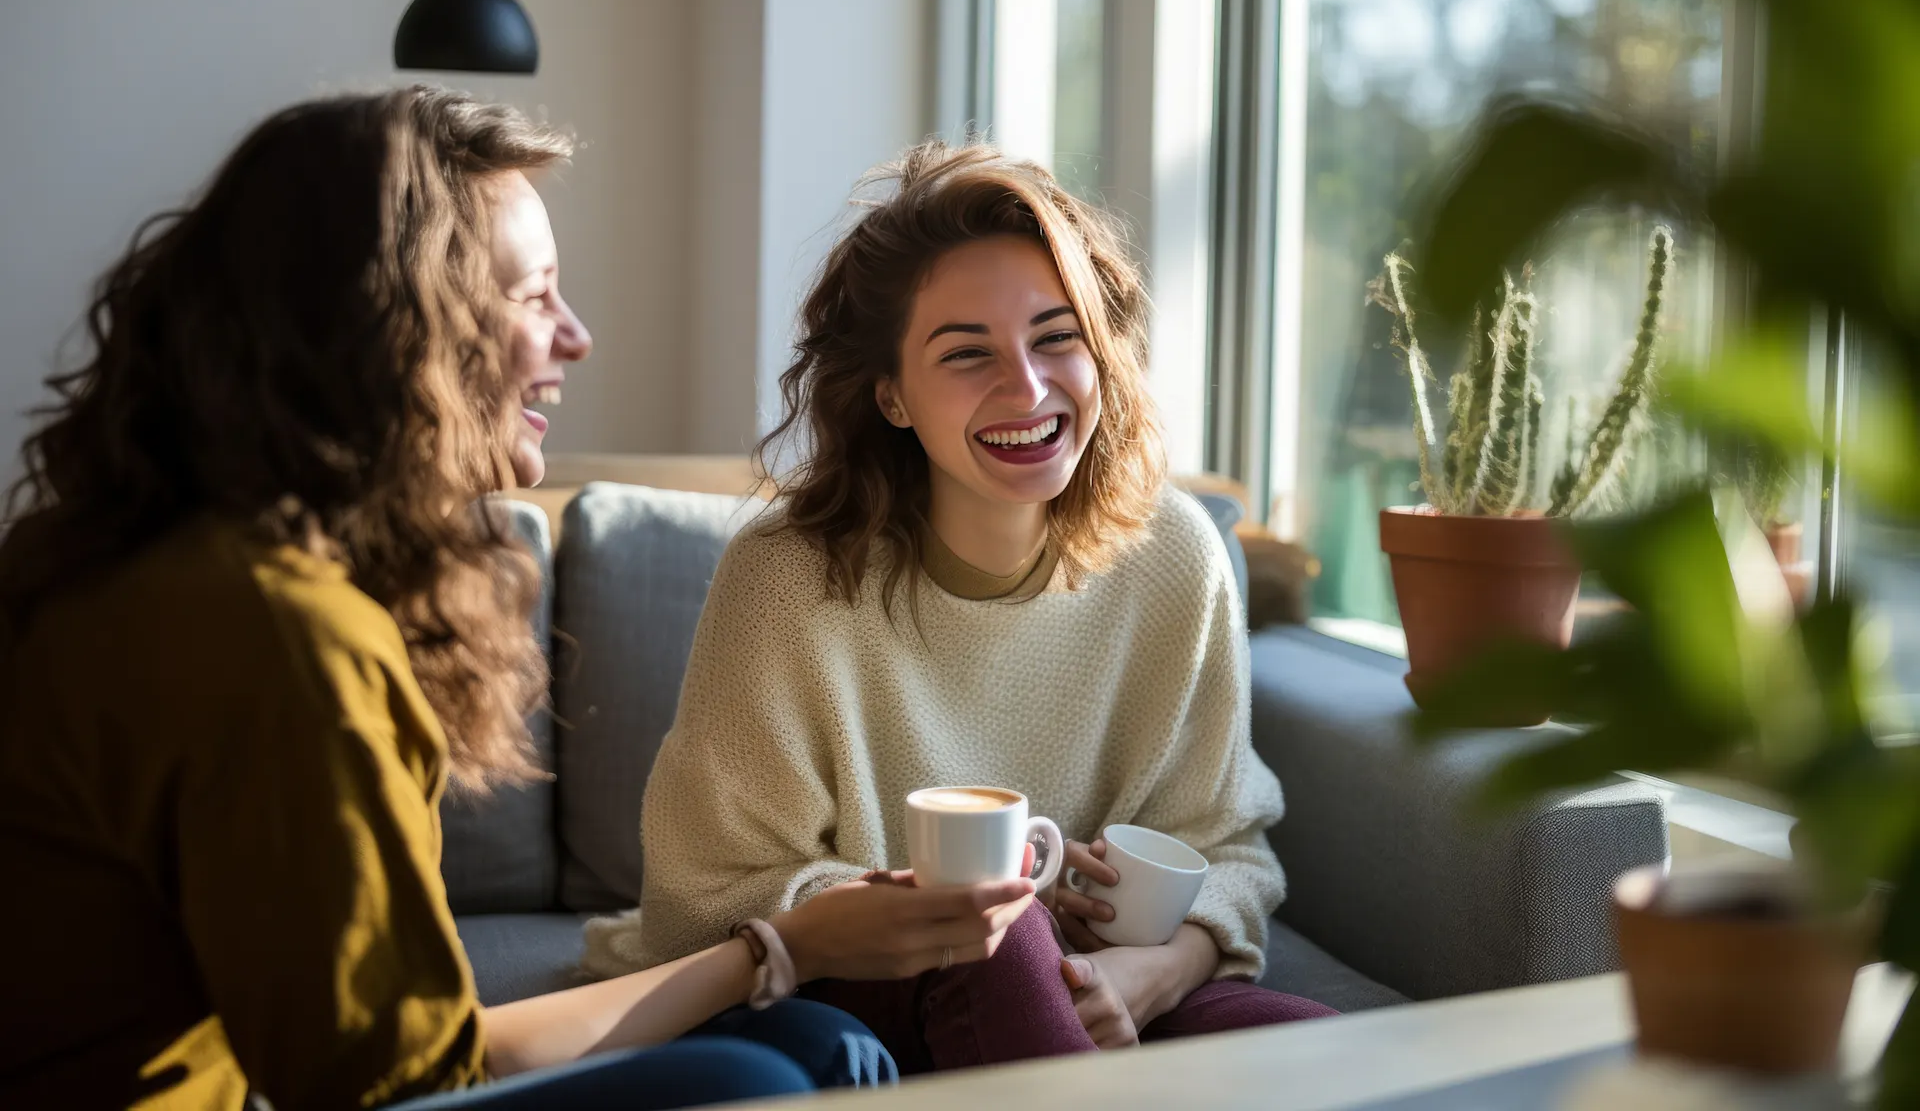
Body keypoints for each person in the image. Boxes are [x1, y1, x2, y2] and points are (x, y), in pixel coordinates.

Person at [0, 90, 1036, 1110]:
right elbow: (404, 1079)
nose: (576, 336)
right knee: (760, 1073)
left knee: (816, 1045)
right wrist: (784, 942)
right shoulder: (277, 633)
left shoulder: (142, 562)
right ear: (397, 324)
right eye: (534, 296)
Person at [586, 140, 1337, 1073]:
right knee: (998, 930)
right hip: (851, 995)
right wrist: (934, 907)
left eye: (1057, 337)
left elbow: (1230, 847)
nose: (1026, 388)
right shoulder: (786, 577)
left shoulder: (1177, 554)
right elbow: (703, 896)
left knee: (1312, 1047)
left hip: (1109, 992)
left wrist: (1160, 972)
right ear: (892, 397)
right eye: (966, 354)